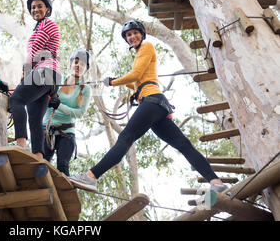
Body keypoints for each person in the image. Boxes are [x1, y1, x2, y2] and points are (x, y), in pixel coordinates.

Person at [69, 20, 228, 193]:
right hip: (155, 103)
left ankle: (91, 177)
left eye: (135, 33)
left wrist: (114, 82)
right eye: (129, 35)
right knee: (183, 144)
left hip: (152, 101)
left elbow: (136, 75)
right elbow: (138, 83)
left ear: (142, 34)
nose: (132, 37)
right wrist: (114, 82)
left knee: (125, 138)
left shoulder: (146, 47)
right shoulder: (139, 55)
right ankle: (216, 182)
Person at [9, 0, 62, 159]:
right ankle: (38, 156)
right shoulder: (40, 26)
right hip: (49, 75)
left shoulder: (47, 24)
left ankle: (21, 144)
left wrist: (24, 74)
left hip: (44, 70)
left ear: (47, 9)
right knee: (34, 118)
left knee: (16, 99)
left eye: (40, 6)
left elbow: (35, 50)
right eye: (33, 7)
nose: (36, 9)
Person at [43, 49, 92, 176]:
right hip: (46, 130)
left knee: (62, 166)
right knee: (40, 164)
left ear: (86, 69)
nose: (78, 66)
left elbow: (80, 113)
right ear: (71, 64)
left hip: (66, 133)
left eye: (82, 64)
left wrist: (59, 105)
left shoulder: (85, 89)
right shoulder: (57, 80)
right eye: (76, 62)